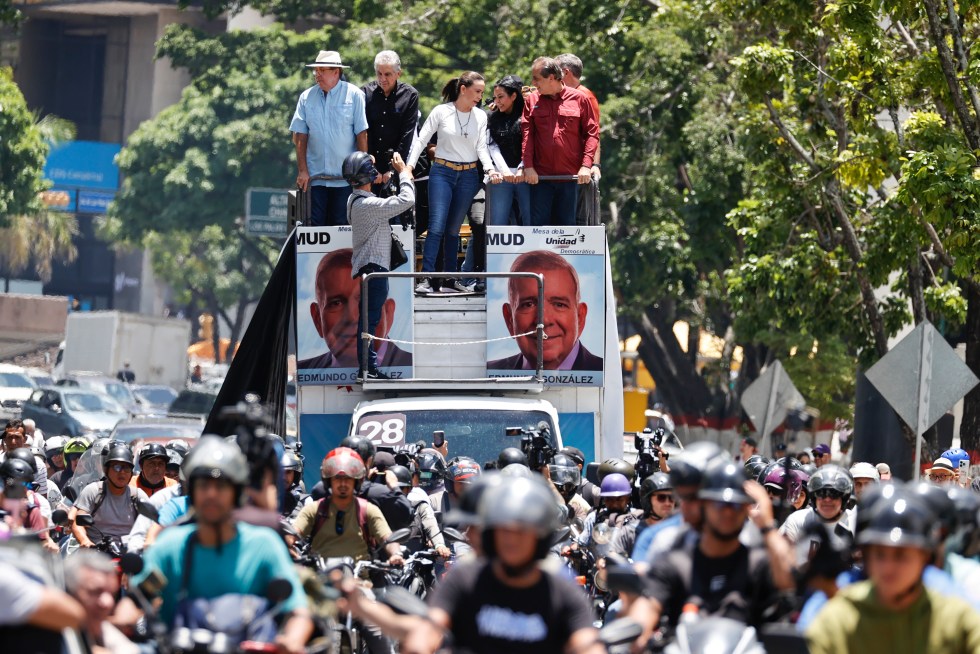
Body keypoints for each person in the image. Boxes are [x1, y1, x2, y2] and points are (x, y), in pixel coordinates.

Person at [341, 474, 602, 654]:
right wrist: (420, 642)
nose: (512, 541)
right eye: (503, 532)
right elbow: (431, 627)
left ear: (540, 537)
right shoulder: (465, 580)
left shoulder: (561, 591)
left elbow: (585, 642)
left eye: (522, 532)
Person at [126, 437, 313, 653]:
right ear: (192, 491)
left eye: (221, 486)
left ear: (237, 493)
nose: (211, 494)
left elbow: (298, 611)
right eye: (204, 485)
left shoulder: (264, 546)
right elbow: (137, 599)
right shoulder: (170, 547)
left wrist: (292, 640)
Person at [623, 462, 794, 638]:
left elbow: (789, 581)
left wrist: (767, 526)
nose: (728, 513)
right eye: (719, 504)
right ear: (704, 507)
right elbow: (648, 607)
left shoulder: (757, 563)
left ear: (747, 509)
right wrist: (636, 633)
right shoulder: (675, 563)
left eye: (736, 505)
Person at [806, 490, 980, 653]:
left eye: (901, 556)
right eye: (880, 555)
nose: (888, 567)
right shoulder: (837, 619)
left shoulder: (956, 618)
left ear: (925, 557)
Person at [407, 71, 503, 295]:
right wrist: (409, 167)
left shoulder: (481, 117)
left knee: (453, 230)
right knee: (437, 226)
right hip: (442, 172)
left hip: (469, 176)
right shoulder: (442, 111)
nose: (480, 96)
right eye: (477, 91)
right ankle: (427, 278)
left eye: (481, 92)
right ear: (463, 89)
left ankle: (450, 279)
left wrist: (489, 169)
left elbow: (481, 148)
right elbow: (422, 140)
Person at [344, 149, 417, 380]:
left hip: (370, 268)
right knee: (370, 320)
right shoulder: (369, 206)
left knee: (370, 319)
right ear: (367, 176)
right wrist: (404, 173)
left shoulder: (355, 200)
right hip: (374, 269)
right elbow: (408, 200)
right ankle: (368, 369)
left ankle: (368, 367)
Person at [297, 247, 413, 371]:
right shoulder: (303, 369)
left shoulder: (413, 366)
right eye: (336, 303)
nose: (352, 317)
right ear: (317, 320)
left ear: (388, 313)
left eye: (365, 299)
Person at [290, 50, 369, 227]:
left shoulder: (355, 95)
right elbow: (300, 135)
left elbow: (361, 134)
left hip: (346, 180)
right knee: (315, 229)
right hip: (315, 179)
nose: (317, 75)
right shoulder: (306, 97)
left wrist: (363, 174)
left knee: (341, 228)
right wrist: (302, 170)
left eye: (322, 70)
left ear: (336, 72)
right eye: (315, 70)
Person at [488, 249, 601, 371]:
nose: (544, 320)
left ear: (580, 318)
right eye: (528, 304)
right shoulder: (491, 372)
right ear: (510, 319)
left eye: (559, 304)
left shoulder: (607, 373)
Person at [290, 447, 404, 565]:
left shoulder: (368, 510)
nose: (343, 484)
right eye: (338, 478)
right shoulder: (314, 509)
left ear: (357, 481)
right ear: (329, 480)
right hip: (320, 579)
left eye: (348, 479)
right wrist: (287, 545)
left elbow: (387, 537)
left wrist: (396, 554)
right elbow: (293, 533)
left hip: (360, 580)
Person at [521, 56, 599, 226]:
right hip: (540, 178)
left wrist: (586, 166)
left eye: (537, 78)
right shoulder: (532, 100)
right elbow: (528, 135)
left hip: (570, 179)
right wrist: (528, 167)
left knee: (567, 231)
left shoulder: (580, 98)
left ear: (551, 78)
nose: (533, 83)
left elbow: (592, 134)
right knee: (539, 230)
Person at [70, 443, 149, 548]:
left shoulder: (138, 495)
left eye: (126, 468)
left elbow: (151, 524)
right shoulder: (94, 491)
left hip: (129, 553)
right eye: (117, 467)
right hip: (97, 553)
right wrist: (85, 542)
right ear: (107, 470)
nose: (122, 473)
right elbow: (76, 521)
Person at [556, 53, 601, 226]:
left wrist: (594, 166)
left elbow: (594, 133)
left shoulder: (585, 96)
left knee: (578, 217)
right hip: (561, 168)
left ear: (565, 72)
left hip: (579, 169)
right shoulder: (558, 95)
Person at [361, 50, 419, 185]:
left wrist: (392, 170)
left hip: (396, 164)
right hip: (369, 166)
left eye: (387, 74)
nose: (382, 79)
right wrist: (370, 167)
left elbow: (407, 135)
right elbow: (362, 132)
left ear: (398, 73)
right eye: (379, 74)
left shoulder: (410, 95)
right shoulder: (364, 93)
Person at [780, 464, 855, 566]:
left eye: (834, 494)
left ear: (844, 498)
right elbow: (780, 559)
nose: (827, 499)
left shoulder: (856, 522)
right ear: (814, 497)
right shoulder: (798, 520)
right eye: (822, 493)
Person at [65, 549, 138, 653]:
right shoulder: (50, 638)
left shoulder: (111, 636)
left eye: (112, 594)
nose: (107, 602)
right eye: (95, 592)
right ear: (68, 591)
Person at [486, 74, 531, 226]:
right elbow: (492, 146)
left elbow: (530, 143)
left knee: (530, 221)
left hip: (525, 176)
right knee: (497, 221)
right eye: (495, 97)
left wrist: (522, 168)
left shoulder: (528, 115)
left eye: (501, 97)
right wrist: (504, 170)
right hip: (501, 177)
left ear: (513, 96)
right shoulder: (492, 117)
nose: (497, 102)